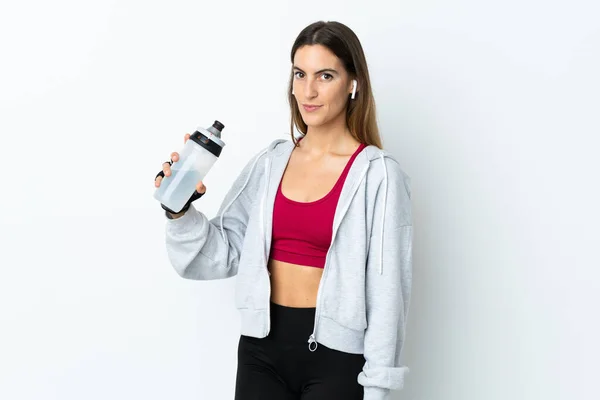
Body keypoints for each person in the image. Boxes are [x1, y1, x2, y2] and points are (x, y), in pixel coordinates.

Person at [154, 21, 412, 400]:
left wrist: (377, 387)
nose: (309, 90)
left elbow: (389, 292)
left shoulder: (379, 175)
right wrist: (179, 211)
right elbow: (224, 252)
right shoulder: (271, 162)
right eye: (299, 74)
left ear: (353, 83)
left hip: (337, 359)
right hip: (261, 351)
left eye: (325, 75)